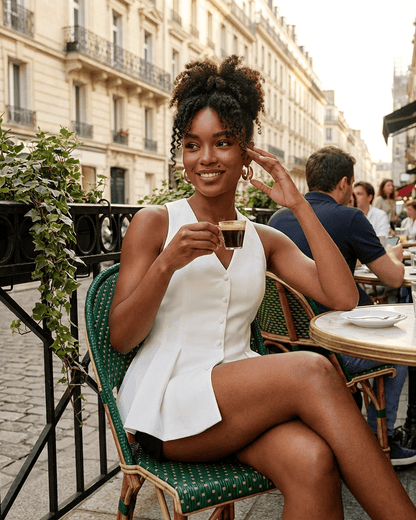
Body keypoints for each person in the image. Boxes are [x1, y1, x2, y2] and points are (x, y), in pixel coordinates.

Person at [109, 56, 416, 519]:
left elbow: (343, 297)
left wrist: (298, 202)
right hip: (168, 407)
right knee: (312, 370)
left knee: (313, 462)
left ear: (246, 149)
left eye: (222, 142)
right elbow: (121, 337)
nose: (205, 158)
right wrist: (166, 264)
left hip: (239, 401)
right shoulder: (155, 224)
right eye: (192, 145)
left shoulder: (263, 237)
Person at [268, 146, 416, 465]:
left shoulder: (278, 217)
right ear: (345, 183)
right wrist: (395, 256)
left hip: (281, 344)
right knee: (397, 352)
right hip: (332, 346)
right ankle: (384, 439)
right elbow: (392, 279)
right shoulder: (350, 217)